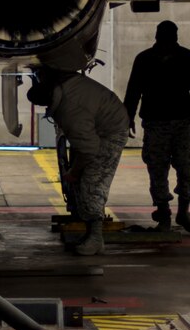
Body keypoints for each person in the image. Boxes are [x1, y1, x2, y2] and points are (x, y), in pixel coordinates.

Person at [124, 20, 190, 232]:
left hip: (182, 123)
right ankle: (163, 213)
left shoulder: (187, 58)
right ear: (157, 38)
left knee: (187, 167)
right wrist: (128, 118)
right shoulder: (144, 59)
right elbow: (133, 91)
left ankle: (183, 212)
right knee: (157, 169)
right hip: (155, 124)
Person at [30, 65, 129, 256]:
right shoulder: (61, 82)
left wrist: (74, 172)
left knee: (92, 182)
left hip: (110, 132)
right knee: (82, 179)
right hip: (96, 124)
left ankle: (95, 238)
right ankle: (89, 229)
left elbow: (88, 150)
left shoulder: (71, 111)